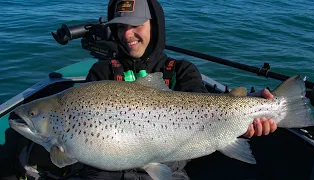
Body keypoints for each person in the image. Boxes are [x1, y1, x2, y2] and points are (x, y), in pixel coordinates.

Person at [0, 0, 276, 179]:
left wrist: (248, 118)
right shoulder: (101, 73)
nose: (127, 35)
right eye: (120, 27)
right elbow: (66, 157)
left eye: (136, 25)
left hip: (168, 171)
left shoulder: (182, 71)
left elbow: (211, 113)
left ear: (155, 25)